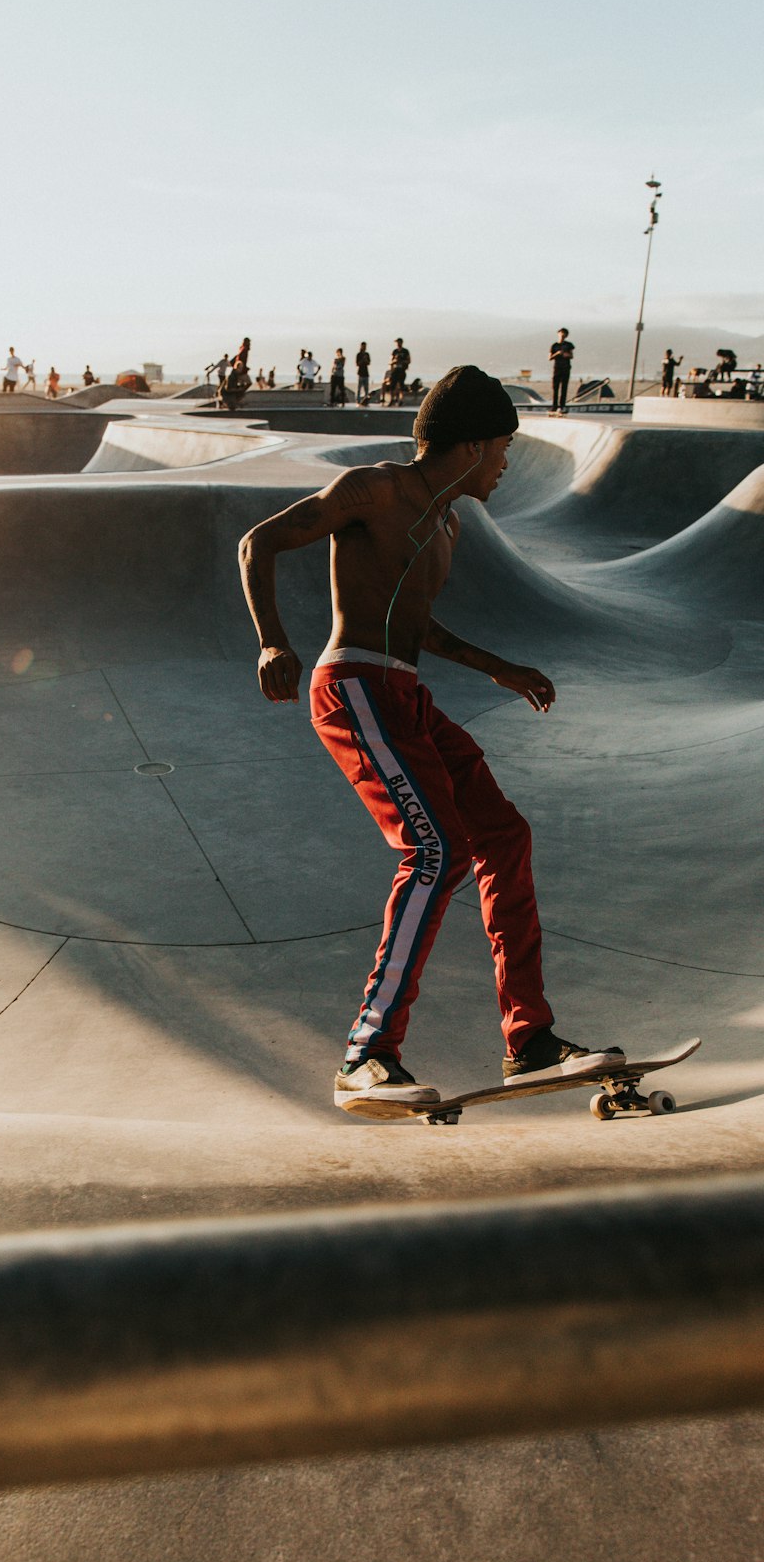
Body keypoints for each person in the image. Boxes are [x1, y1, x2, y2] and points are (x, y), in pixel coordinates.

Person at [237, 364, 625, 1118]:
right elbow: (259, 543)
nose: (510, 464)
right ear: (474, 444)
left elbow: (417, 625)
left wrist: (498, 668)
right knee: (437, 850)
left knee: (504, 837)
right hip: (351, 687)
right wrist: (271, 642)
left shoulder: (446, 524)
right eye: (505, 448)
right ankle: (367, 1054)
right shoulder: (377, 489)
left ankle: (530, 1041)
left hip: (406, 694)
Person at [548, 329, 574, 414]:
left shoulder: (568, 345)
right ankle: (554, 406)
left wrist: (564, 354)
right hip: (557, 368)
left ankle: (562, 406)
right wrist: (557, 353)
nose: (562, 336)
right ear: (558, 334)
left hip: (566, 368)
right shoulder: (554, 346)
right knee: (555, 388)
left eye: (563, 335)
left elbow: (571, 355)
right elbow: (550, 358)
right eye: (561, 335)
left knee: (564, 387)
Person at [388, 340, 411, 405]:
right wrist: (395, 361)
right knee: (392, 385)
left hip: (402, 370)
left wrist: (402, 361)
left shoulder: (405, 351)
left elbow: (409, 361)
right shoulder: (394, 351)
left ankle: (401, 400)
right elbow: (391, 361)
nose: (398, 344)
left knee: (401, 385)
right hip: (395, 370)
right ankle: (392, 399)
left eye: (399, 342)